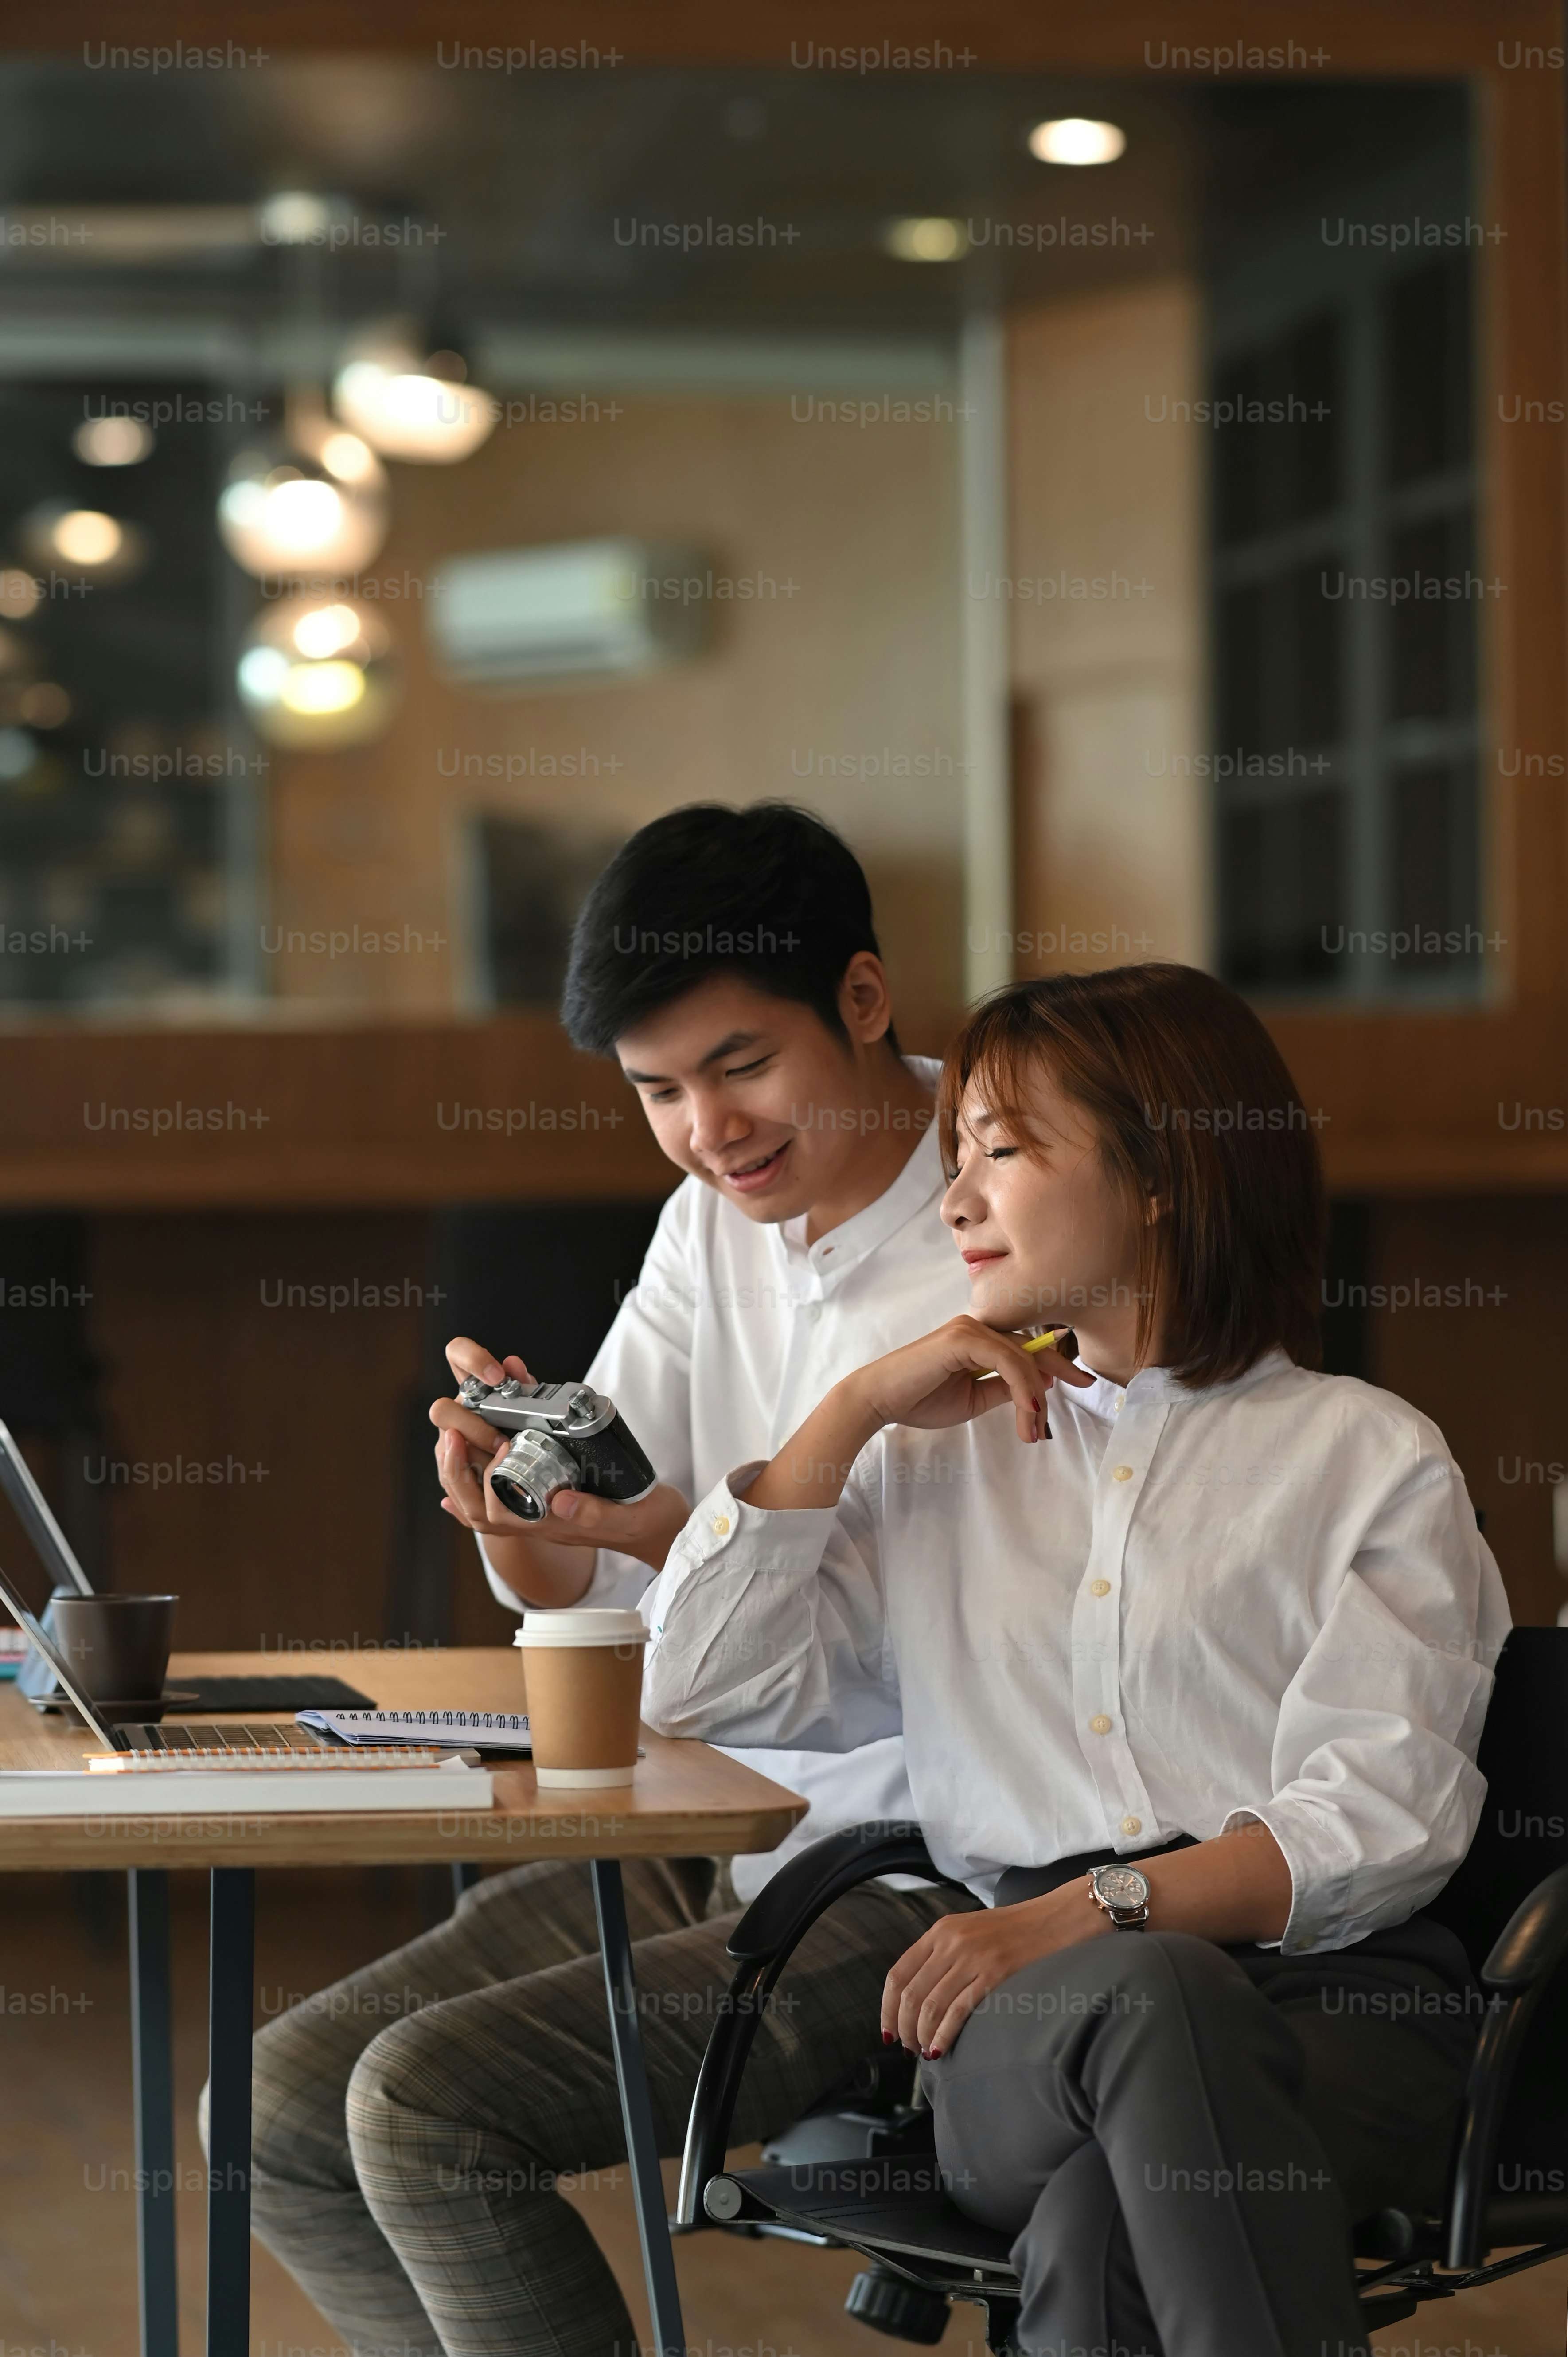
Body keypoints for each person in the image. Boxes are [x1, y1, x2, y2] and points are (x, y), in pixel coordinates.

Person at [642, 961, 1511, 2357]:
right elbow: (704, 1689)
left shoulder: (1367, 1456)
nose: (956, 1201)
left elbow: (1381, 1821)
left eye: (998, 1151)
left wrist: (1087, 1910)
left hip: (1335, 2006)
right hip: (1021, 2031)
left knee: (1104, 2222)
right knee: (1149, 2007)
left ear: (1162, 1172)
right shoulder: (940, 1465)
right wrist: (848, 1412)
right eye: (954, 1157)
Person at [235, 803, 981, 2357]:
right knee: (281, 2107)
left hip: (917, 1870)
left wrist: (668, 1541)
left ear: (861, 998)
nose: (710, 1131)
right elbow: (617, 1565)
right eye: (657, 1091)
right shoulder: (712, 1224)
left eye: (739, 1066)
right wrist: (531, 1527)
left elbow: (953, 1652)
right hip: (721, 1829)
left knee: (426, 2113)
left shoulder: (1008, 1222)